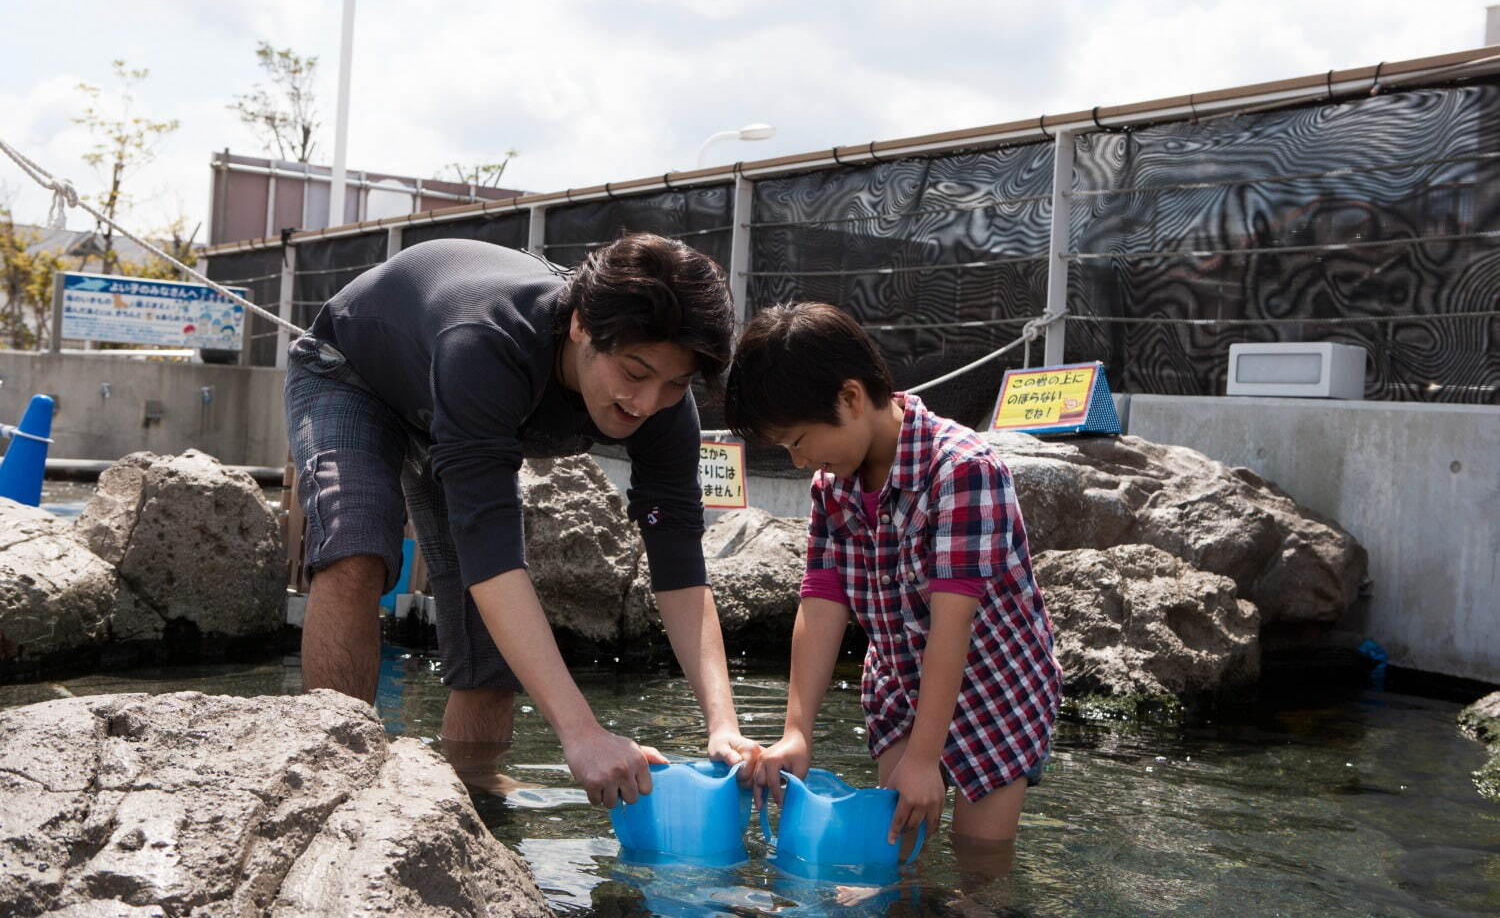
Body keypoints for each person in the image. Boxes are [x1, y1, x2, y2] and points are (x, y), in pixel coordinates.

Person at [284, 234, 758, 806]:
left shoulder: (662, 404)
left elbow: (680, 560)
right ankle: (335, 782)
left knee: (491, 655)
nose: (648, 402)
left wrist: (723, 725)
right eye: (635, 373)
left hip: (459, 417)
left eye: (675, 383)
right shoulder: (489, 342)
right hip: (353, 375)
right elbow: (492, 552)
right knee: (357, 547)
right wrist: (581, 734)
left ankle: (473, 809)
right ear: (581, 325)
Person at [724, 302, 1062, 877]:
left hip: (998, 689)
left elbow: (953, 624)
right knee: (900, 852)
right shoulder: (832, 487)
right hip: (902, 682)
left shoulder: (962, 470)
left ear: (851, 398)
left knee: (979, 863)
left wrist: (927, 757)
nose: (800, 458)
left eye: (800, 440)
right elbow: (821, 600)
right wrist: (796, 735)